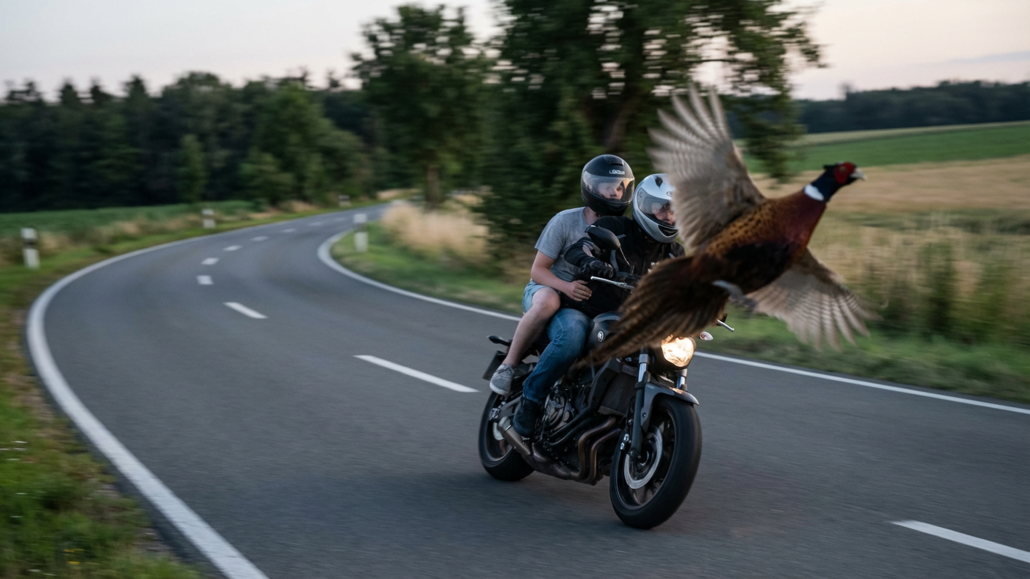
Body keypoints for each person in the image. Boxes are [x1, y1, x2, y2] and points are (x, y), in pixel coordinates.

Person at [510, 173, 684, 439]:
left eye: (674, 211)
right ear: (645, 206)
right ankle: (530, 402)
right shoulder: (616, 226)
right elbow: (581, 247)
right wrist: (589, 260)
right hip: (585, 309)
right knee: (572, 335)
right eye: (662, 208)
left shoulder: (674, 253)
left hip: (629, 319)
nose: (668, 216)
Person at [488, 154, 635, 395]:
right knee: (549, 301)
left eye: (620, 188)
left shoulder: (624, 230)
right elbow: (537, 271)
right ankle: (508, 365)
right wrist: (566, 288)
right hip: (548, 289)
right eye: (607, 187)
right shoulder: (565, 221)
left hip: (591, 302)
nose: (614, 193)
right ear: (591, 188)